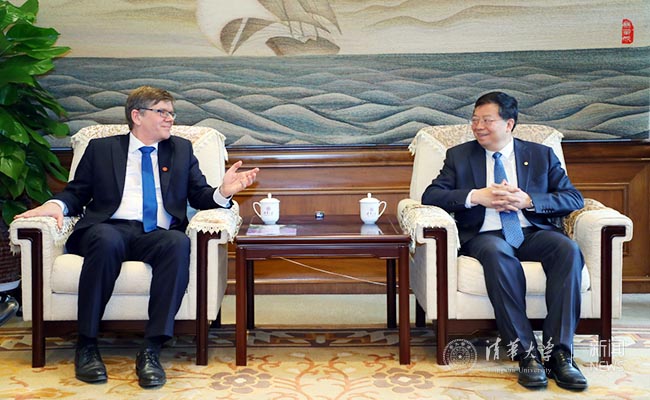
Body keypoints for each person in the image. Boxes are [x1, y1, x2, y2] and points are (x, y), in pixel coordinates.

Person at [14, 86, 259, 388]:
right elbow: (76, 193)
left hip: (155, 233)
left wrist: (223, 192)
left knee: (178, 243)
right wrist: (55, 206)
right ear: (137, 115)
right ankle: (87, 345)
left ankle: (151, 349)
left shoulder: (181, 150)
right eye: (162, 112)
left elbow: (199, 195)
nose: (170, 118)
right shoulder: (101, 149)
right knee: (107, 240)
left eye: (171, 113)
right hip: (108, 227)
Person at [421, 91, 587, 390]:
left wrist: (529, 200)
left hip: (533, 232)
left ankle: (560, 354)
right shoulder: (459, 156)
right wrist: (476, 196)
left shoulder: (541, 155)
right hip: (486, 235)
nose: (478, 126)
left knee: (568, 250)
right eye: (475, 120)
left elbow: (573, 198)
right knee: (497, 255)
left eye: (487, 120)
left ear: (509, 124)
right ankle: (526, 354)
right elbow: (431, 195)